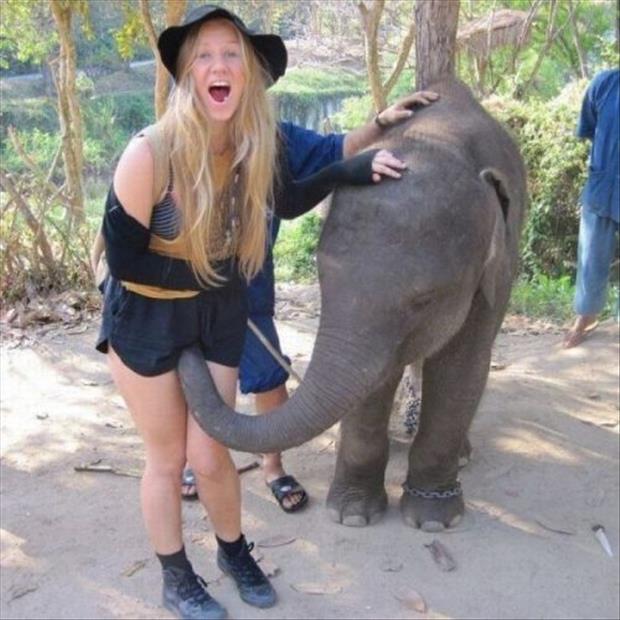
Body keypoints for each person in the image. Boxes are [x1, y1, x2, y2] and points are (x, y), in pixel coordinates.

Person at [96, 5, 409, 619]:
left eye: (231, 54)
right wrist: (204, 276)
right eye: (205, 55)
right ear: (188, 74)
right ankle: (175, 574)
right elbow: (127, 261)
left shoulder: (251, 145)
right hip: (148, 318)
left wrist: (353, 168)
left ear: (248, 72)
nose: (219, 65)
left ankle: (233, 550)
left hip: (216, 312)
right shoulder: (150, 153)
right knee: (168, 459)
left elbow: (287, 200)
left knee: (213, 453)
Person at [181, 94, 439, 511]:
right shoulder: (177, 142)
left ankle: (273, 466)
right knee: (197, 379)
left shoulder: (275, 140)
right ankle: (198, 459)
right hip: (188, 291)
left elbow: (332, 151)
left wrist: (379, 124)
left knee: (267, 375)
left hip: (247, 290)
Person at [564, 69, 619, 349]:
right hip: (602, 185)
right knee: (591, 255)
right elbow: (588, 127)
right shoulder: (604, 84)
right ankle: (585, 317)